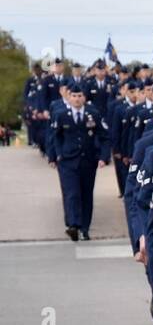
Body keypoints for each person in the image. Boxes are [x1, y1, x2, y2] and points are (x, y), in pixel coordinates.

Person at [48, 80, 110, 241]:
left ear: (84, 97)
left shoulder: (93, 114)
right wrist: (56, 155)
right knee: (72, 193)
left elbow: (104, 137)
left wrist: (103, 157)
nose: (76, 99)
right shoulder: (61, 115)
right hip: (68, 161)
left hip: (88, 161)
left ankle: (85, 227)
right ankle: (73, 225)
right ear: (69, 97)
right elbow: (55, 137)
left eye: (79, 96)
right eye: (73, 96)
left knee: (86, 194)